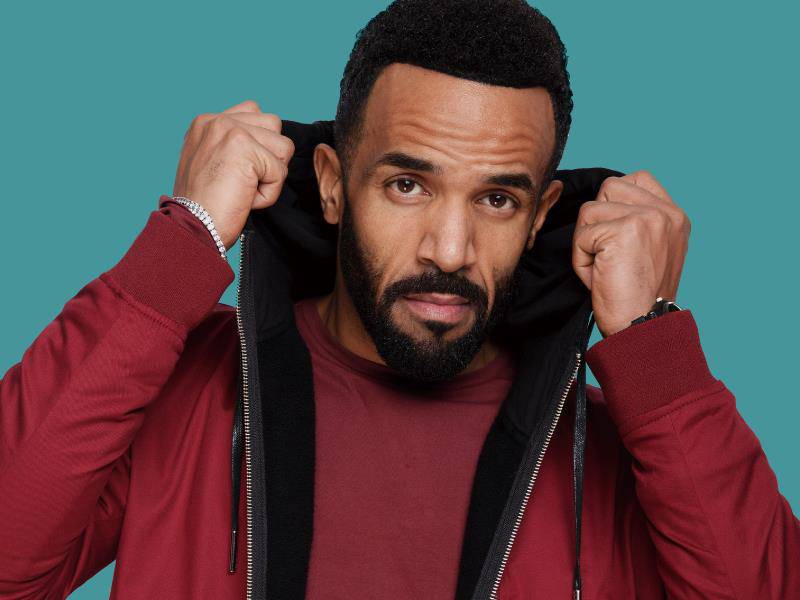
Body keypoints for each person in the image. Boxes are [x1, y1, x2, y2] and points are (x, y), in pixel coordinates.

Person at [1, 0, 798, 598]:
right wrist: (182, 246)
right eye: (408, 185)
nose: (449, 250)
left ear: (541, 217)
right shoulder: (185, 387)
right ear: (332, 184)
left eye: (497, 200)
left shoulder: (622, 449)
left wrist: (655, 353)